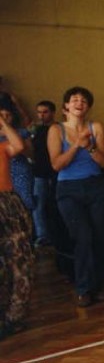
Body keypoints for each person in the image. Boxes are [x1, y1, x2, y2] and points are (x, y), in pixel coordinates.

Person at [47, 87, 104, 307]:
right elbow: (57, 164)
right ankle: (84, 288)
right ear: (66, 106)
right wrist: (76, 145)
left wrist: (91, 146)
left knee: (100, 236)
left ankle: (99, 284)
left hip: (95, 186)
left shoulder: (96, 127)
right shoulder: (56, 130)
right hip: (68, 189)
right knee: (82, 236)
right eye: (74, 100)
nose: (79, 103)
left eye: (84, 100)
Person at [0, 111, 34, 339]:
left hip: (7, 203)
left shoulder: (3, 147)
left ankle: (13, 318)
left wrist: (2, 122)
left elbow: (19, 146)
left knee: (20, 261)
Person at [0, 99, 34, 214]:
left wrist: (9, 132)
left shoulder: (22, 132)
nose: (4, 118)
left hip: (20, 171)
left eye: (7, 115)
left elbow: (30, 153)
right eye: (1, 115)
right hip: (3, 173)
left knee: (23, 206)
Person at [30, 100, 57, 247]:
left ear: (52, 113)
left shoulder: (58, 129)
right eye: (39, 112)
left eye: (45, 112)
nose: (41, 115)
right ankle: (42, 235)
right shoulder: (36, 130)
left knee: (56, 203)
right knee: (38, 204)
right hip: (39, 171)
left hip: (56, 171)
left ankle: (58, 233)